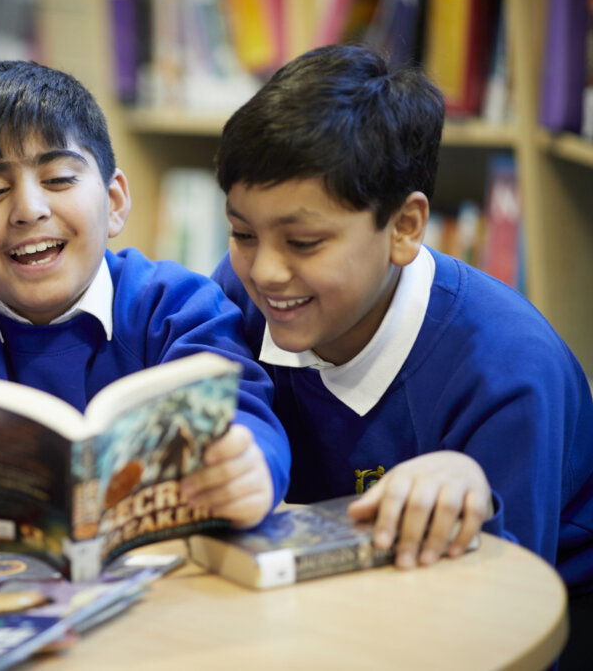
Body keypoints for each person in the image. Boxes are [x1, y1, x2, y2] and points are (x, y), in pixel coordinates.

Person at [211, 43, 593, 664]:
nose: (268, 271)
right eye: (242, 234)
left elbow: (501, 618)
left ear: (405, 228)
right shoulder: (239, 299)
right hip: (320, 604)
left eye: (304, 241)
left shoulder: (508, 370)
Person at [0, 60, 291, 577]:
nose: (29, 210)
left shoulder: (178, 304)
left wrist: (252, 467)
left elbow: (240, 409)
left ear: (113, 202)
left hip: (170, 594)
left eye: (59, 178)